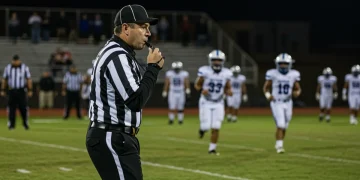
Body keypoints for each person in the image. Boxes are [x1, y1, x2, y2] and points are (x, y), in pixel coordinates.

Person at [85, 4, 164, 180]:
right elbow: (136, 100)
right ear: (126, 28)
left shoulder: (121, 54)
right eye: (143, 27)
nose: (148, 33)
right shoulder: (117, 55)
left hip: (116, 136)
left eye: (148, 28)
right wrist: (153, 68)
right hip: (112, 136)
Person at [194, 49, 232, 155]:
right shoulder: (205, 71)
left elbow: (228, 87)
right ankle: (202, 130)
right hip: (206, 101)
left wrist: (229, 91)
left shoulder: (226, 73)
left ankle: (212, 149)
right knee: (206, 126)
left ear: (222, 61)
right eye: (214, 60)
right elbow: (197, 85)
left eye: (219, 60)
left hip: (219, 102)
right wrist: (202, 90)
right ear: (210, 61)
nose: (216, 62)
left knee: (216, 126)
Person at [263, 53, 301, 154]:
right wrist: (268, 95)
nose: (283, 65)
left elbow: (298, 88)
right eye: (281, 63)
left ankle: (279, 142)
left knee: (285, 125)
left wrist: (297, 93)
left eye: (285, 63)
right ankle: (279, 146)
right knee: (281, 124)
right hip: (277, 102)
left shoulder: (294, 74)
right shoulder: (272, 73)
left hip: (288, 103)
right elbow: (266, 87)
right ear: (277, 64)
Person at [0, 55, 32, 130]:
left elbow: (28, 79)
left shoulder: (24, 67)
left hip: (21, 90)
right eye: (14, 61)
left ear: (19, 61)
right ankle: (11, 124)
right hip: (11, 90)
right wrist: (2, 89)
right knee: (11, 108)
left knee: (23, 107)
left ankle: (25, 123)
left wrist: (30, 90)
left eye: (16, 61)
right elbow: (4, 79)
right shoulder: (8, 68)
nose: (15, 62)